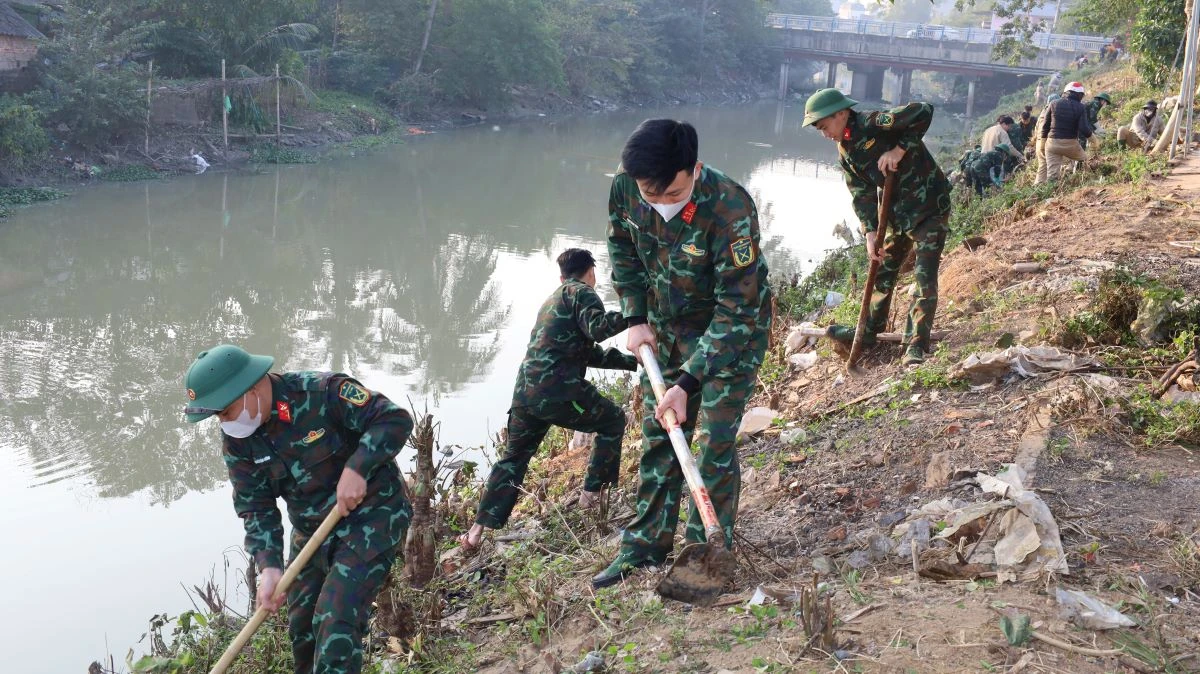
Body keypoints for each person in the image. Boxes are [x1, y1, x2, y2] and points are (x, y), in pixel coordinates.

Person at [595, 119, 771, 589]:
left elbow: (739, 308)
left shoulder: (730, 209)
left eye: (671, 194)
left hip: (730, 334)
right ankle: (644, 546)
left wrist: (687, 384)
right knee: (659, 436)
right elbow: (622, 250)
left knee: (711, 444)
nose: (659, 204)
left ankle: (705, 557)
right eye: (650, 196)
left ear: (693, 169)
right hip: (666, 329)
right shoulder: (628, 188)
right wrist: (635, 317)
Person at [183, 345, 413, 674]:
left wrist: (358, 468)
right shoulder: (239, 440)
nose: (223, 421)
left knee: (336, 621)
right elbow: (255, 505)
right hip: (312, 531)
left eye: (225, 411)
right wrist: (270, 567)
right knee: (303, 628)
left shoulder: (322, 393)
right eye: (217, 416)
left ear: (251, 389)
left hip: (373, 515)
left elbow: (393, 419)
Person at [459, 248, 638, 550]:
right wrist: (637, 316)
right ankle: (593, 497)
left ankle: (475, 532)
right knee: (612, 420)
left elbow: (586, 351)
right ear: (591, 271)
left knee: (513, 459)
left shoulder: (552, 301)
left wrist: (632, 362)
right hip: (558, 390)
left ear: (561, 275)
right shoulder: (581, 291)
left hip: (526, 392)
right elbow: (598, 328)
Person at [802, 88, 951, 366]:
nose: (824, 134)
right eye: (819, 130)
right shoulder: (845, 150)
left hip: (928, 207)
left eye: (825, 126)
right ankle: (869, 330)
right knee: (883, 268)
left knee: (923, 277)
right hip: (895, 215)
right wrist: (870, 233)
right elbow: (861, 192)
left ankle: (916, 344)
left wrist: (899, 149)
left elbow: (923, 110)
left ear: (842, 114)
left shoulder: (875, 122)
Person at [1036, 81, 1092, 184]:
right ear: (1080, 95)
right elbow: (1083, 128)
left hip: (1052, 144)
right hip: (1070, 144)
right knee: (1083, 159)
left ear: (1066, 92)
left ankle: (1050, 195)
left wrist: (1042, 143)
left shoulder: (1053, 103)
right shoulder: (1080, 107)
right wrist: (1094, 140)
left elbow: (1045, 126)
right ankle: (1079, 181)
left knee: (1052, 175)